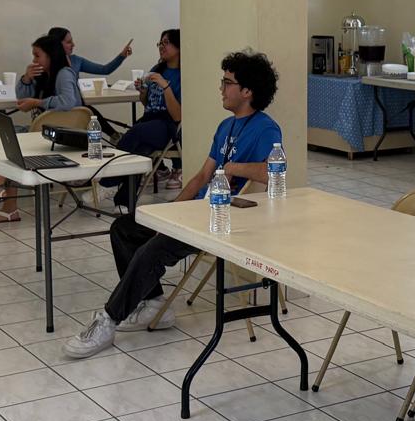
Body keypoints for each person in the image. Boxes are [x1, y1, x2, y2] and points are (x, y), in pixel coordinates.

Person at [67, 51, 282, 358]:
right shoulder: (226, 126)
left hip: (222, 219)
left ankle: (108, 320)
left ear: (247, 91)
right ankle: (155, 304)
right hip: (196, 211)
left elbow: (273, 171)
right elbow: (200, 177)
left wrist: (234, 168)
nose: (221, 88)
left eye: (227, 82)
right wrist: (169, 214)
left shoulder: (266, 129)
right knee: (124, 228)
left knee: (150, 251)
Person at [0, 35, 82, 224]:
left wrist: (38, 102)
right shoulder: (45, 76)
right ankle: (4, 197)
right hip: (45, 134)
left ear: (50, 55)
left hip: (62, 137)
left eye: (37, 56)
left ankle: (2, 193)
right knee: (7, 137)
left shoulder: (64, 74)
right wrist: (26, 79)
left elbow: (69, 102)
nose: (34, 61)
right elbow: (20, 97)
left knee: (13, 139)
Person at [108, 29, 183, 205]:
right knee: (140, 151)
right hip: (151, 121)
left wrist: (166, 87)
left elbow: (178, 115)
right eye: (160, 43)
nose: (161, 47)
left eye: (166, 43)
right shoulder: (156, 70)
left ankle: (108, 182)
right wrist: (143, 92)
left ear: (179, 47)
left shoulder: (183, 75)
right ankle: (124, 202)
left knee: (135, 133)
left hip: (169, 126)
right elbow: (149, 104)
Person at [46, 26, 133, 78]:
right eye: (69, 42)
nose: (73, 44)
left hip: (75, 106)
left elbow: (105, 70)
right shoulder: (44, 63)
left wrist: (122, 56)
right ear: (57, 44)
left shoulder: (76, 60)